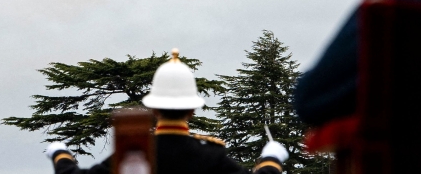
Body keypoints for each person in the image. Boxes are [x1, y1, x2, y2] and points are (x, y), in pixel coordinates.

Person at [47, 50, 288, 174]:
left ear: (153, 109)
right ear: (192, 110)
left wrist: (60, 154)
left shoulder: (134, 155)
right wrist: (272, 158)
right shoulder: (210, 156)